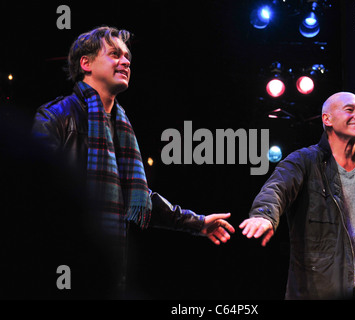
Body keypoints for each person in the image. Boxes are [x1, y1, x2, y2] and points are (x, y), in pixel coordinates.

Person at [31, 26, 234, 298]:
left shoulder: (120, 125)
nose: (125, 61)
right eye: (114, 54)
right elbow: (33, 193)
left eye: (127, 57)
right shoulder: (56, 117)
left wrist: (197, 222)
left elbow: (137, 197)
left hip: (109, 269)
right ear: (86, 63)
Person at [239, 92, 355, 299]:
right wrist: (264, 215)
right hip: (323, 288)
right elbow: (276, 189)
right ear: (327, 119)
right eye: (350, 109)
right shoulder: (304, 161)